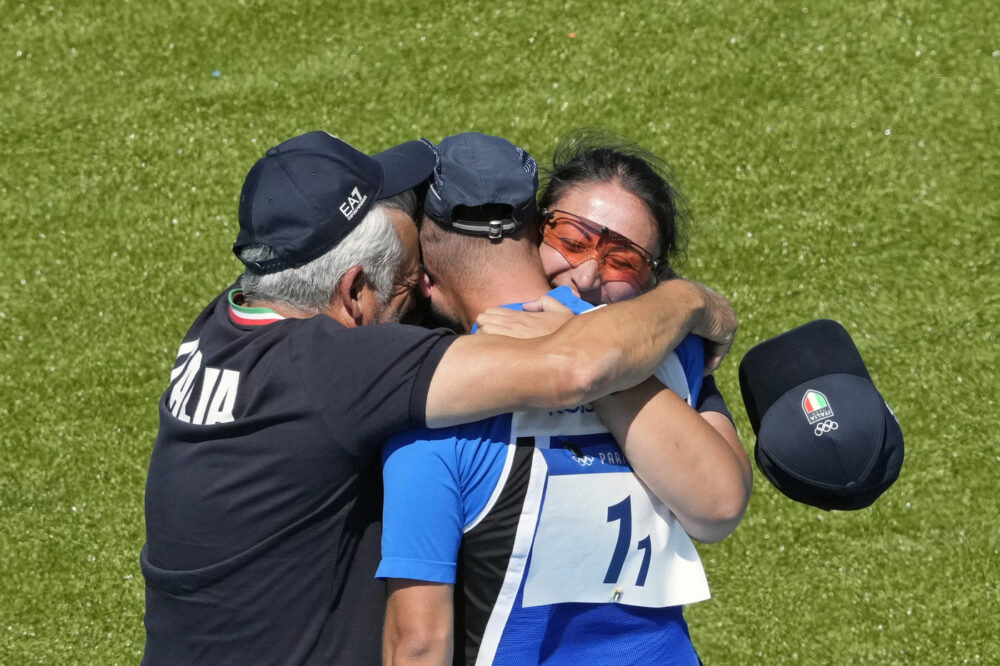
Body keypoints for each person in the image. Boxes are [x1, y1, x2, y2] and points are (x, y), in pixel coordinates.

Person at [139, 130, 741, 665]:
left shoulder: (220, 325)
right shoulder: (366, 379)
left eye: (624, 258)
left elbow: (418, 644)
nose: (587, 275)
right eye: (404, 281)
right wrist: (690, 301)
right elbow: (579, 367)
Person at [379, 133, 752, 665]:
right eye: (573, 240)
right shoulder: (679, 358)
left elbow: (718, 506)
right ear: (531, 228)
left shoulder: (676, 362)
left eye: (624, 260)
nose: (585, 274)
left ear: (653, 284)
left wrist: (593, 354)